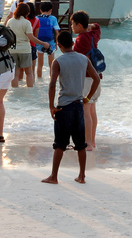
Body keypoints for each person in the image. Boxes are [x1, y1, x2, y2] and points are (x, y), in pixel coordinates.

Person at [41, 31, 100, 185]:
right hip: (79, 106)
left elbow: (52, 84)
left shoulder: (58, 61)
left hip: (64, 107)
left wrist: (51, 106)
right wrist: (87, 97)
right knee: (81, 144)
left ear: (59, 45)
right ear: (73, 43)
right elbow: (96, 78)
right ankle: (81, 176)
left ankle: (54, 176)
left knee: (60, 144)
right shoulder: (83, 59)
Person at [70, 10, 102, 151]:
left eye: (73, 24)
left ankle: (88, 143)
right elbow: (98, 26)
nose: (71, 27)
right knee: (92, 110)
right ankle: (92, 141)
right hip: (97, 78)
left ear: (78, 25)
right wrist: (89, 25)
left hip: (87, 80)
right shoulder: (93, 35)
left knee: (86, 110)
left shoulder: (80, 39)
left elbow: (74, 57)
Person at [7, 3, 50, 87]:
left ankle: (15, 94)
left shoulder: (10, 21)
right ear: (27, 12)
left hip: (12, 49)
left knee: (15, 74)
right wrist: (43, 43)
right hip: (24, 50)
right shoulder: (26, 23)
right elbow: (31, 37)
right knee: (29, 73)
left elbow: (7, 35)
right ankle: (30, 93)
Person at [36, 2, 60, 78]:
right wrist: (56, 43)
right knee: (51, 64)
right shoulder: (53, 18)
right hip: (50, 43)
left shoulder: (37, 18)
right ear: (51, 10)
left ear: (40, 10)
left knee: (40, 64)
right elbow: (56, 32)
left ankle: (39, 80)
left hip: (40, 42)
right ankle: (51, 81)